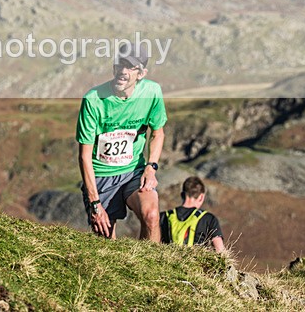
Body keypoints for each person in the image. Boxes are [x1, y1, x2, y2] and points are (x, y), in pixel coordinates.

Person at [76, 42, 166, 240]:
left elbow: (158, 133)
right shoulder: (93, 100)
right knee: (106, 240)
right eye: (119, 65)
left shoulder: (152, 93)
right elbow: (84, 156)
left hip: (133, 171)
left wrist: (151, 167)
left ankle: (150, 268)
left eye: (130, 67)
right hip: (101, 175)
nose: (122, 71)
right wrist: (94, 203)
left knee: (151, 216)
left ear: (141, 73)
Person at [160, 176, 225, 252]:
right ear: (201, 197)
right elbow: (219, 250)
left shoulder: (164, 216)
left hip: (169, 262)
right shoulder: (208, 219)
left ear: (182, 195)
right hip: (195, 263)